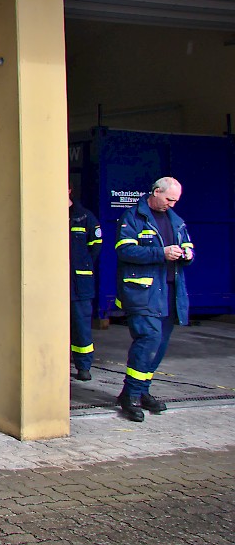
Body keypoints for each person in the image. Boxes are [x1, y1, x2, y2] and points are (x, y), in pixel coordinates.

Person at [115, 177, 193, 423]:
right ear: (156, 192)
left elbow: (189, 246)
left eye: (175, 201)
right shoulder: (133, 217)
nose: (171, 204)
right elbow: (124, 250)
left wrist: (187, 254)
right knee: (149, 339)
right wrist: (162, 253)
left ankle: (142, 391)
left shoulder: (176, 221)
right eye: (169, 199)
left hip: (170, 293)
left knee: (159, 346)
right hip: (143, 293)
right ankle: (130, 395)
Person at [69, 188, 103, 382]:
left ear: (69, 190)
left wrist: (82, 265)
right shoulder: (50, 214)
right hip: (56, 282)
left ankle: (83, 365)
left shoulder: (85, 217)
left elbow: (96, 245)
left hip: (80, 282)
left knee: (81, 325)